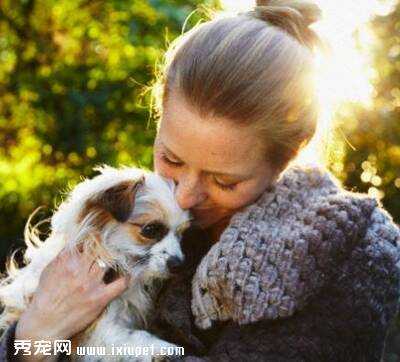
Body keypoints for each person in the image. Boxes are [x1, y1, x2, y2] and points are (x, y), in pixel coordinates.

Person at [1, 0, 400, 361]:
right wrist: (35, 334)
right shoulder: (138, 210)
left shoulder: (351, 256)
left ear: (289, 155)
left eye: (224, 182)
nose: (186, 195)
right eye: (171, 159)